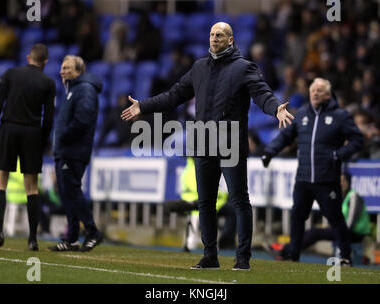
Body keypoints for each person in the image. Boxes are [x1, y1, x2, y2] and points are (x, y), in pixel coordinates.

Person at [121, 22, 294, 270]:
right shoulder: (199, 67)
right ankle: (209, 255)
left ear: (231, 40)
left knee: (239, 200)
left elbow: (261, 94)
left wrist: (275, 108)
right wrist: (144, 106)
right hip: (203, 141)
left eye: (220, 35)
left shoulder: (244, 67)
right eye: (212, 34)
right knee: (205, 203)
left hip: (231, 142)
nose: (214, 38)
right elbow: (174, 95)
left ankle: (242, 258)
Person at [261, 78, 364, 266]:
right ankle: (293, 255)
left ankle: (345, 256)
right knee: (297, 216)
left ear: (327, 94)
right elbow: (285, 136)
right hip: (303, 177)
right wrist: (269, 152)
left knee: (335, 218)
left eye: (319, 90)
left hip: (327, 178)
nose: (315, 93)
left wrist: (338, 154)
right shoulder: (301, 114)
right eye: (313, 90)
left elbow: (358, 139)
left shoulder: (340, 116)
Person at [0, 43, 56, 251]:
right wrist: (42, 140)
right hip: (32, 132)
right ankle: (32, 239)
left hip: (8, 129)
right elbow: (49, 117)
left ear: (28, 58)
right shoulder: (48, 82)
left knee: (0, 182)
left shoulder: (10, 74)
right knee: (32, 187)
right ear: (45, 62)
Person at [48, 55, 103, 252]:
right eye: (62, 68)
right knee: (66, 194)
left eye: (68, 68)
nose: (63, 71)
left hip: (74, 151)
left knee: (72, 191)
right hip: (66, 150)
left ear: (79, 71)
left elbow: (83, 120)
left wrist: (63, 137)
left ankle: (92, 231)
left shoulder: (84, 89)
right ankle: (71, 238)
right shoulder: (73, 90)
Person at [271, 171, 371, 261]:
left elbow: (350, 222)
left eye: (344, 180)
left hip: (355, 233)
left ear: (349, 182)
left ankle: (286, 250)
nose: (341, 183)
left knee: (315, 233)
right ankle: (288, 250)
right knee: (313, 232)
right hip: (344, 230)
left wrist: (336, 229)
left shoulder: (353, 196)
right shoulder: (340, 195)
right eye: (340, 180)